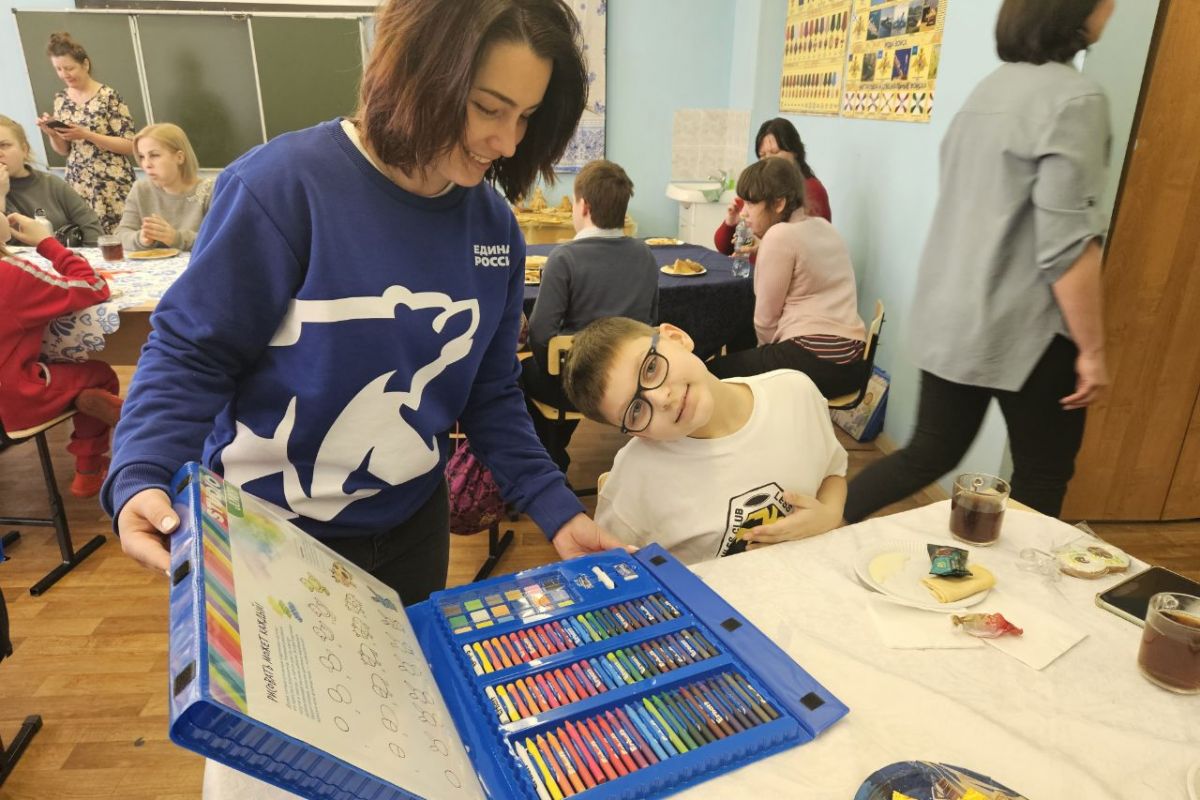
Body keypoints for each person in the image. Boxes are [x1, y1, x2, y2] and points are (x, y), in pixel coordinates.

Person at [102, 0, 627, 604]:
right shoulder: (283, 187)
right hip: (268, 529)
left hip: (411, 526)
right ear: (415, 71)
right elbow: (193, 352)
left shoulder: (493, 228)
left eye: (526, 117)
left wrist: (557, 509)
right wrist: (141, 467)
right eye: (487, 107)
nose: (505, 142)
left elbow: (489, 391)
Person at [845, 0, 1115, 523]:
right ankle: (1022, 596)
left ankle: (822, 529)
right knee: (1042, 474)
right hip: (1028, 330)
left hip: (953, 315)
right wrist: (1093, 349)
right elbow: (1067, 244)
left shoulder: (988, 91)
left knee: (927, 454)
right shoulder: (1074, 98)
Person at [563, 317, 847, 565]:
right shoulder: (635, 477)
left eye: (651, 368)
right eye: (636, 410)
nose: (661, 398)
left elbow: (832, 472)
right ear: (639, 433)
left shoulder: (796, 392)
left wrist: (830, 514)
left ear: (676, 337)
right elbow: (619, 570)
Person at [521, 158, 658, 471]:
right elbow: (650, 319)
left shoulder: (563, 258)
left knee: (519, 375)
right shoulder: (645, 254)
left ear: (582, 206)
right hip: (631, 379)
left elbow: (541, 334)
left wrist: (554, 368)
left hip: (575, 385)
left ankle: (549, 462)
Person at [707, 157, 868, 398]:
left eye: (751, 203)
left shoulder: (779, 236)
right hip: (852, 363)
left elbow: (765, 320)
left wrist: (764, 372)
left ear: (779, 203)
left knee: (712, 372)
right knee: (743, 346)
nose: (744, 213)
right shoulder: (823, 226)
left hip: (813, 361)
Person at [0, 212, 123, 497]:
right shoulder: (10, 275)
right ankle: (89, 470)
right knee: (99, 375)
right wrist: (47, 241)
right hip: (15, 402)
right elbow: (93, 286)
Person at [37, 32, 136, 233]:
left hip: (111, 182)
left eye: (69, 68)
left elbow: (130, 144)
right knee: (85, 238)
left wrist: (87, 134)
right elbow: (63, 151)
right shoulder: (61, 99)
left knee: (119, 240)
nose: (65, 74)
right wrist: (52, 133)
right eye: (58, 69)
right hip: (78, 181)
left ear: (85, 64)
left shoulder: (108, 96)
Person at [713, 117, 832, 261]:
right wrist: (732, 223)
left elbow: (807, 252)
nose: (768, 160)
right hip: (755, 272)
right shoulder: (761, 188)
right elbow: (727, 248)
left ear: (795, 152)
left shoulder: (811, 190)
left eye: (774, 152)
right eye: (762, 155)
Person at [0, 114, 102, 245]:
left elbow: (92, 230)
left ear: (24, 149)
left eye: (4, 145)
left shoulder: (52, 184)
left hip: (65, 260)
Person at [115, 123, 213, 252]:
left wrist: (175, 238)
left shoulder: (210, 190)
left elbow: (221, 240)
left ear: (179, 157)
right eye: (142, 157)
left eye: (154, 155)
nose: (146, 164)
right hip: (151, 270)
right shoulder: (141, 189)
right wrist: (140, 239)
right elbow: (120, 234)